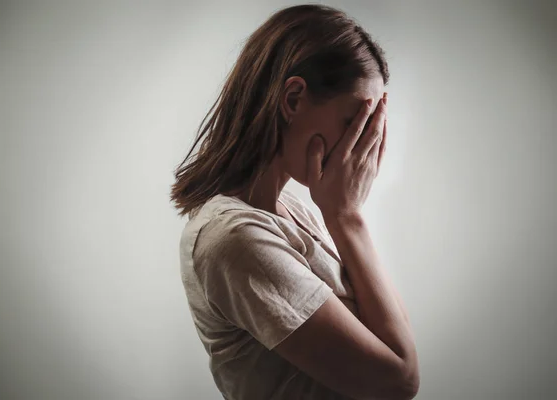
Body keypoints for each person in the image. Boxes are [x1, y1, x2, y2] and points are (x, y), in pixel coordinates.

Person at [170, 4, 419, 399]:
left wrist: (343, 216)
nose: (360, 145)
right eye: (352, 122)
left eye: (369, 128)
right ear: (293, 99)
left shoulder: (294, 211)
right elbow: (398, 381)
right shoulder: (235, 238)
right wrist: (346, 217)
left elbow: (396, 335)